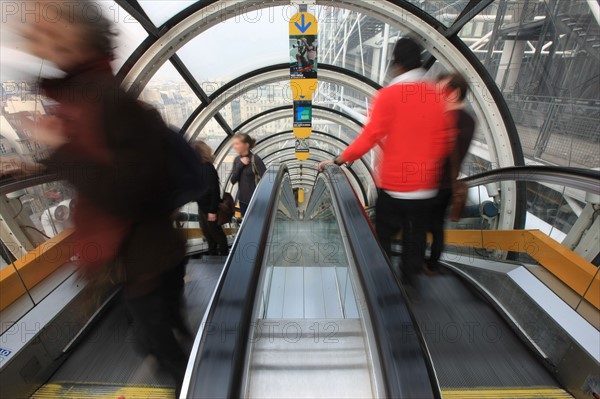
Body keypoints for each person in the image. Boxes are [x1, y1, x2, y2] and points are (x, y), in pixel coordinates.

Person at [16, 3, 188, 394]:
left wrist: (60, 146)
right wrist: (43, 161)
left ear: (74, 32)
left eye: (45, 22)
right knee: (156, 333)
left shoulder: (102, 98)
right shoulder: (88, 94)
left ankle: (197, 382)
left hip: (145, 257)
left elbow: (126, 189)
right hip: (144, 256)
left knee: (154, 341)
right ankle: (191, 362)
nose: (31, 32)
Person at [319, 38, 456, 287]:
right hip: (425, 188)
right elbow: (445, 142)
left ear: (397, 64)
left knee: (383, 236)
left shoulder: (388, 96)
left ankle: (382, 285)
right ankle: (410, 283)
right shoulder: (438, 97)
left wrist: (339, 160)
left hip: (393, 186)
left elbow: (370, 137)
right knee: (415, 240)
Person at [425, 73, 476, 274]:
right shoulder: (470, 121)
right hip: (448, 184)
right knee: (437, 225)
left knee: (417, 222)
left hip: (431, 181)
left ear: (454, 93)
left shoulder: (446, 118)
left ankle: (412, 266)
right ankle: (432, 265)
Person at [192, 140, 229, 256]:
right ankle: (212, 254)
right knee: (207, 233)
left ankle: (224, 255)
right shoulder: (200, 167)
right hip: (203, 206)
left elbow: (214, 191)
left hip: (209, 208)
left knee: (216, 233)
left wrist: (212, 211)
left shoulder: (208, 168)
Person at [230, 133, 266, 217]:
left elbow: (265, 178)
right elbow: (233, 180)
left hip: (256, 200)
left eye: (237, 143)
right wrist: (241, 164)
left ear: (246, 145)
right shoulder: (237, 160)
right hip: (242, 201)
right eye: (234, 144)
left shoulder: (255, 159)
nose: (234, 146)